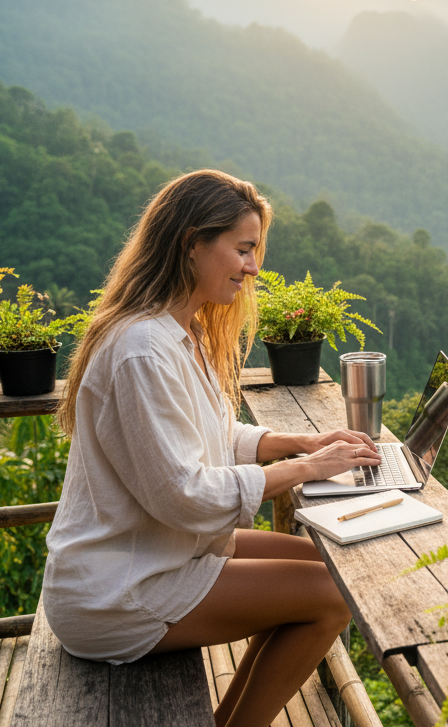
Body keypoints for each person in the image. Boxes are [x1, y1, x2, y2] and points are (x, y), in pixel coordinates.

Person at [43, 169, 380, 727]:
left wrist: (304, 441)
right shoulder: (143, 350)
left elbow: (215, 435)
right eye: (243, 249)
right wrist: (306, 468)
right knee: (333, 595)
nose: (254, 267)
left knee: (333, 566)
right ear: (192, 244)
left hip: (163, 552)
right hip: (116, 589)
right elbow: (184, 494)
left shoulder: (182, 331)